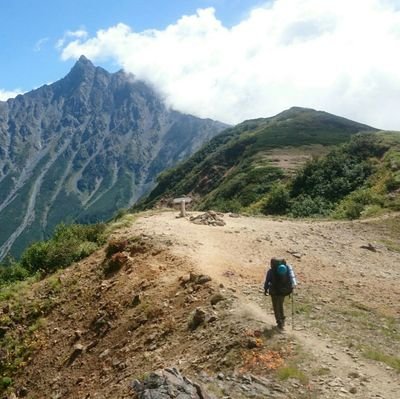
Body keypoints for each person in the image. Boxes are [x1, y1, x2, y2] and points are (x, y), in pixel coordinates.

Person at [264, 257, 297, 331]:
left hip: (274, 292)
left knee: (276, 307)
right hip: (283, 291)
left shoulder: (271, 271)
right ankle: (282, 320)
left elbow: (267, 282)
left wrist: (265, 289)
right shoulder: (287, 269)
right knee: (280, 305)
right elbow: (292, 278)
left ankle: (279, 322)